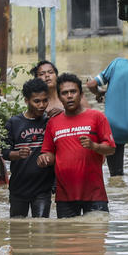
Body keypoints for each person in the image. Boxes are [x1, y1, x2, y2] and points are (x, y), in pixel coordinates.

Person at [37, 73, 116, 218]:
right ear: (59, 97)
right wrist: (44, 158)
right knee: (67, 232)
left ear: (81, 94)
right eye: (64, 93)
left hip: (95, 194)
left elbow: (111, 148)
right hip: (65, 196)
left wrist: (94, 146)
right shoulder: (53, 123)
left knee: (97, 231)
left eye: (73, 92)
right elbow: (48, 152)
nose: (69, 96)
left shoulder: (97, 117)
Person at [86, 45, 128, 176]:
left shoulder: (118, 63)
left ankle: (117, 177)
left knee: (116, 175)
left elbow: (91, 85)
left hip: (113, 131)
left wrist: (99, 93)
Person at [2, 78, 55, 218]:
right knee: (17, 227)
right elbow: (4, 152)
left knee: (42, 227)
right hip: (19, 188)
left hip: (43, 189)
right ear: (26, 101)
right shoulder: (13, 123)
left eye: (45, 100)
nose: (42, 105)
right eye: (37, 101)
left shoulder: (50, 122)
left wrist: (61, 113)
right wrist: (18, 154)